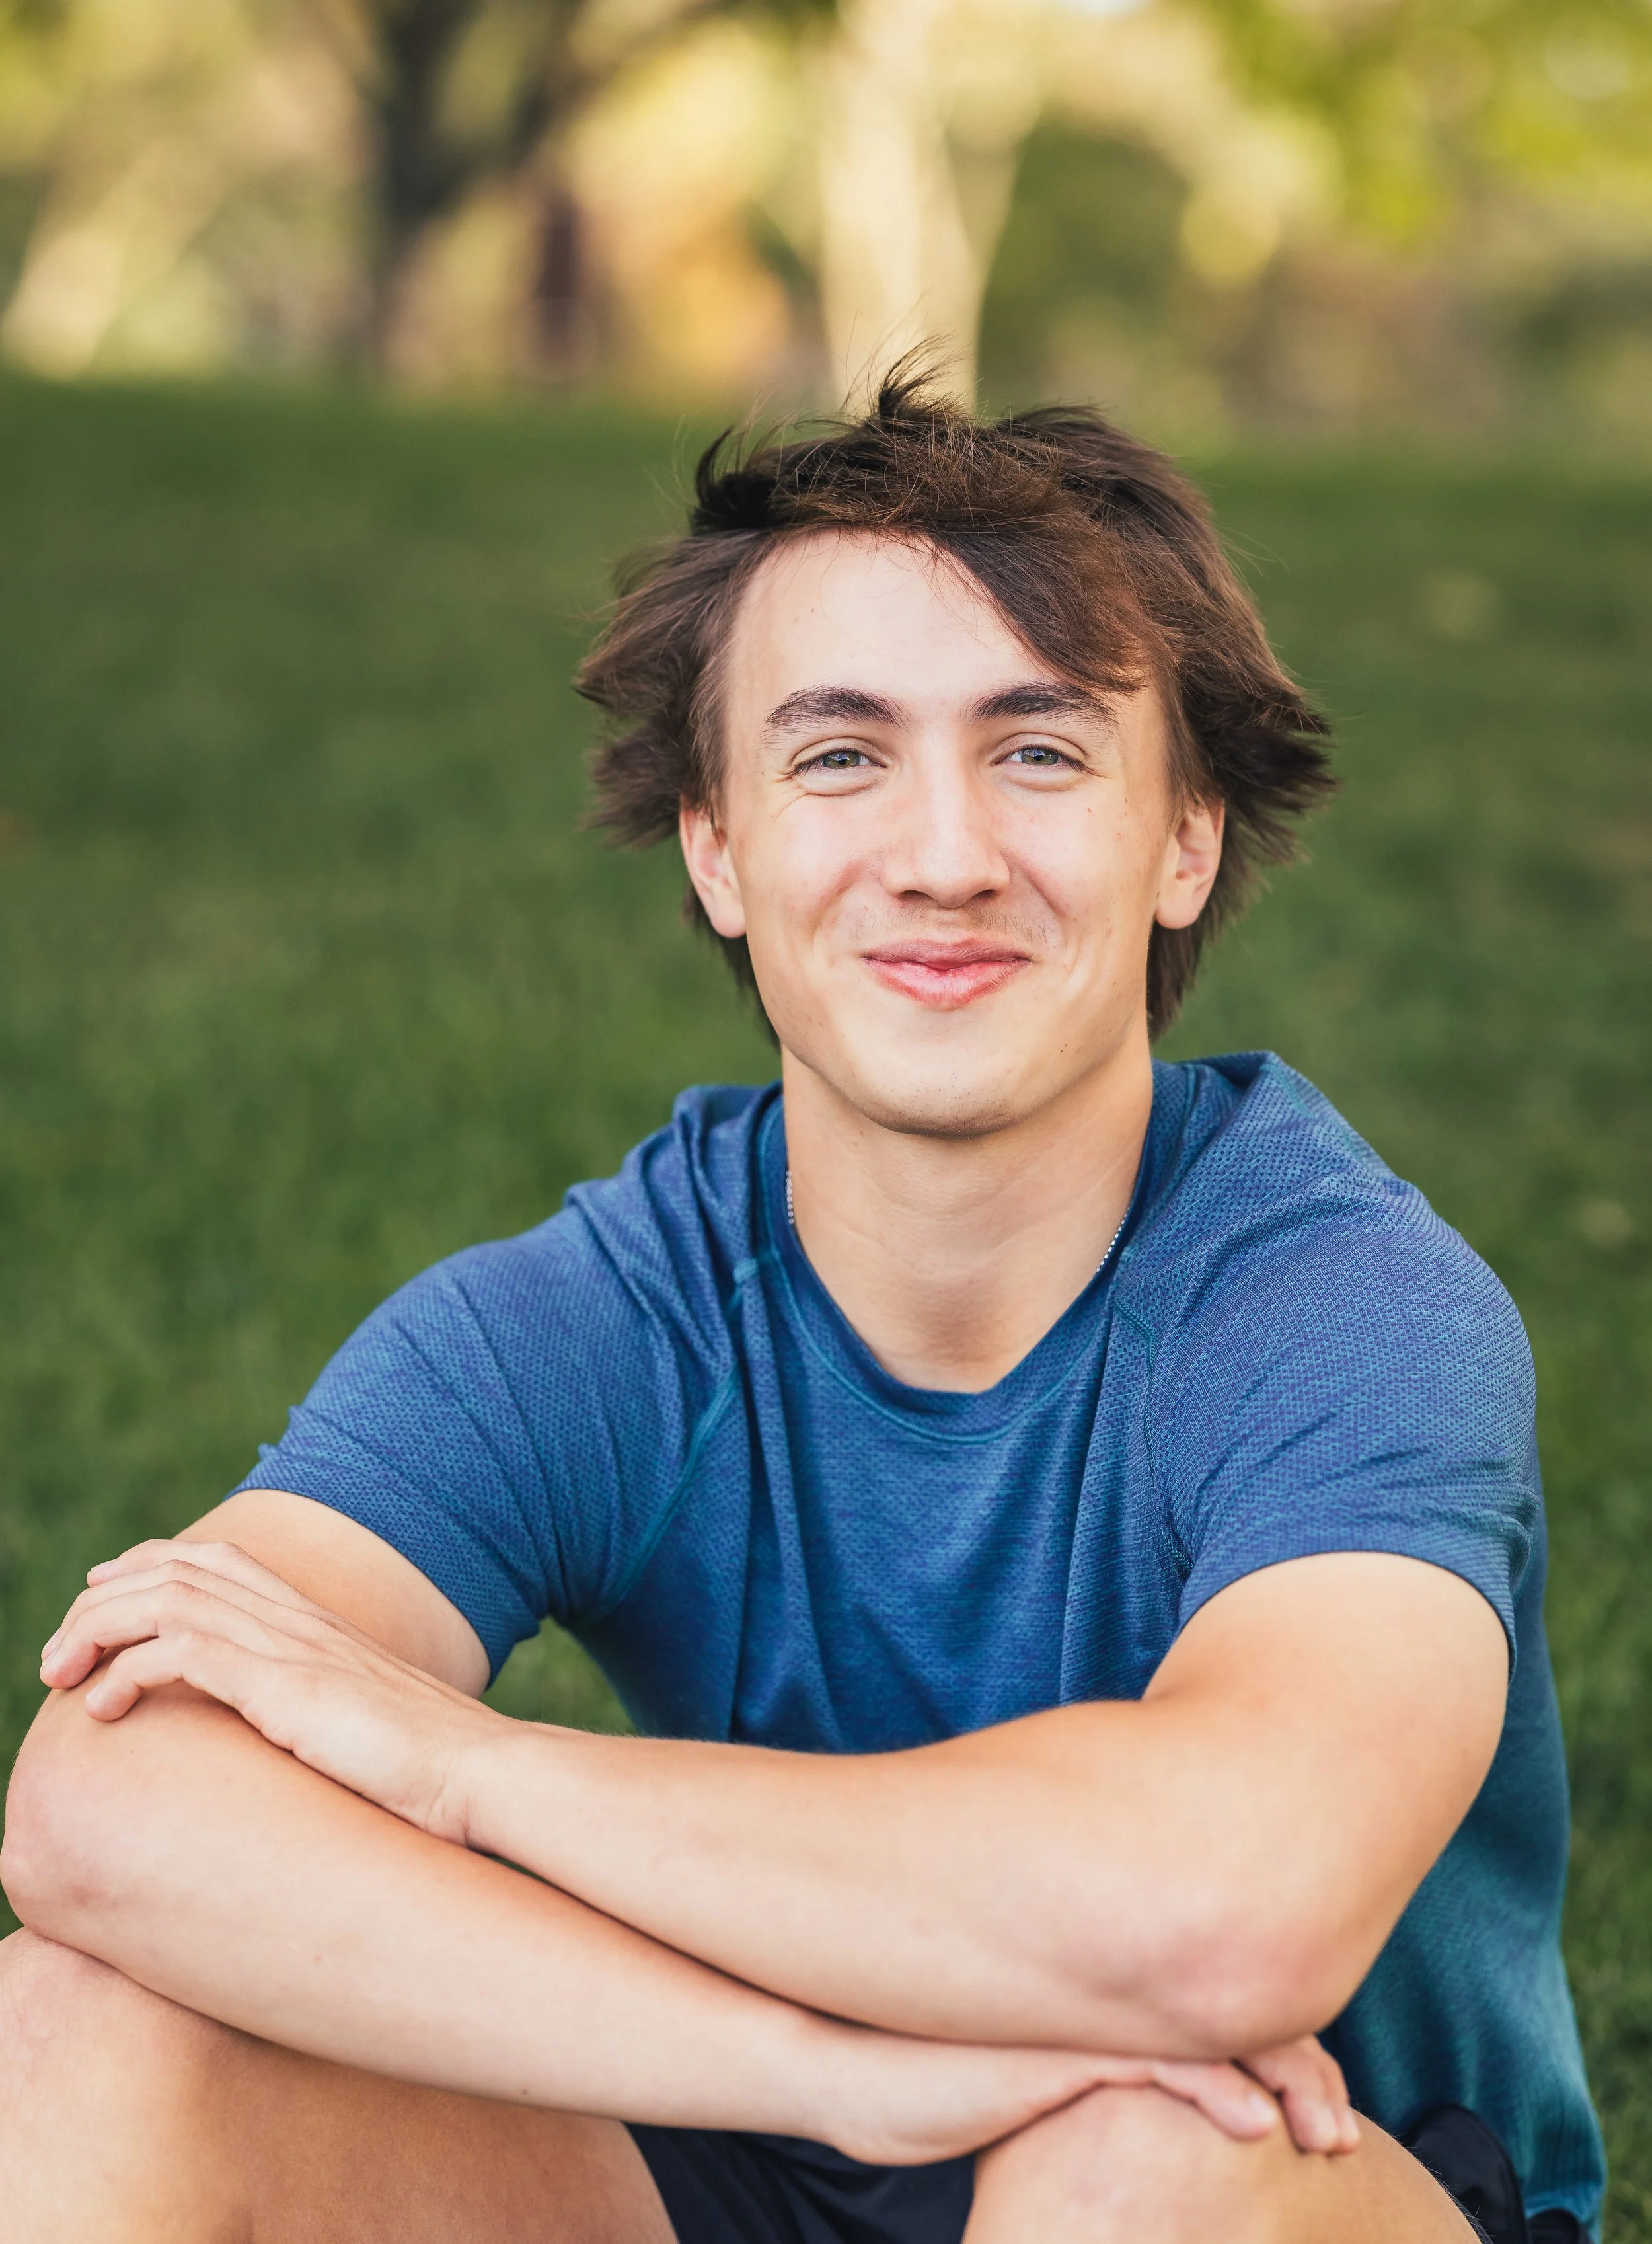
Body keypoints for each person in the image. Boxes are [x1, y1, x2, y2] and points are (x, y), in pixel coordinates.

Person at [0, 372, 1605, 2244]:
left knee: (1121, 2162)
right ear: (716, 850)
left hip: (1258, 2167)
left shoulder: (1338, 1303)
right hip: (730, 2172)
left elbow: (1220, 1914)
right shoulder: (616, 1313)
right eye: (840, 756)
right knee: (74, 2024)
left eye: (1039, 751)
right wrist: (823, 2071)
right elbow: (106, 1812)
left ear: (1181, 838)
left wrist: (466, 1766)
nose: (941, 855)